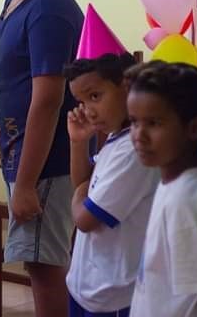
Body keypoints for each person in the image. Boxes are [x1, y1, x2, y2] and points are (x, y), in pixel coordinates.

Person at [0, 0, 84, 316]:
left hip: (45, 162)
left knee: (45, 266)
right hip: (22, 155)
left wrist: (26, 184)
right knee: (37, 260)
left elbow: (48, 100)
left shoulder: (49, 8)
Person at [64, 52, 160, 317]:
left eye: (95, 96)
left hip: (113, 295)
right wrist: (78, 141)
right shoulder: (116, 138)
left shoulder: (133, 149)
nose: (88, 110)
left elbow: (85, 219)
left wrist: (80, 194)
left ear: (127, 88)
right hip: (87, 285)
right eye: (82, 101)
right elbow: (82, 183)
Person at [127, 61, 197, 317]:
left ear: (193, 128)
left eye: (154, 123)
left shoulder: (189, 200)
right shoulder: (174, 181)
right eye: (134, 122)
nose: (139, 134)